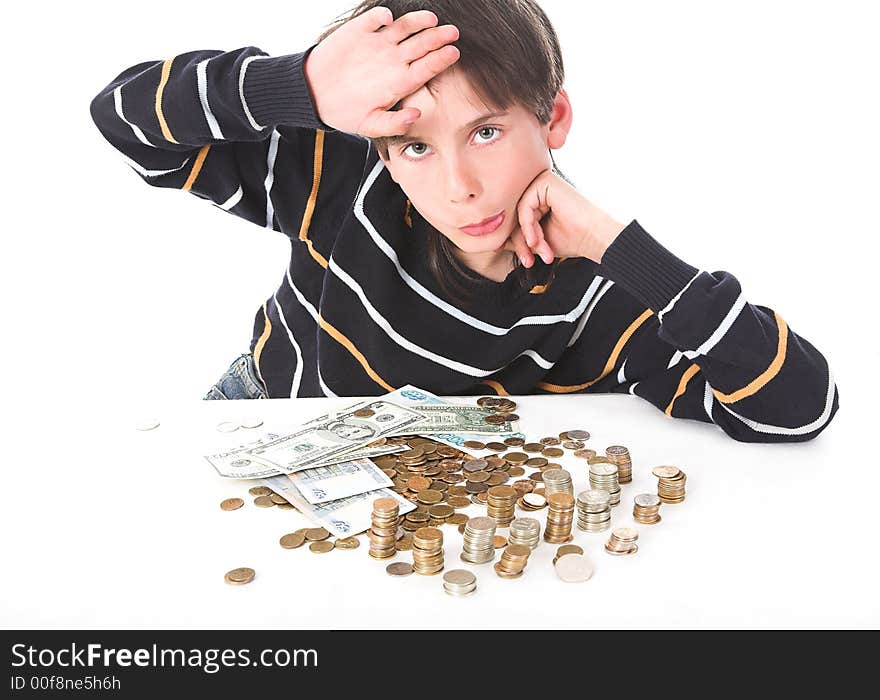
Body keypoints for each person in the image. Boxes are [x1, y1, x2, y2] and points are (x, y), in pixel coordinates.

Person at [88, 0, 839, 443]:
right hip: (264, 413)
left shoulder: (590, 292)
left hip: (418, 491)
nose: (459, 189)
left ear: (554, 117)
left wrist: (623, 249)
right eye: (415, 146)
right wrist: (302, 85)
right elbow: (125, 122)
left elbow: (799, 408)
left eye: (486, 132)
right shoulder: (345, 173)